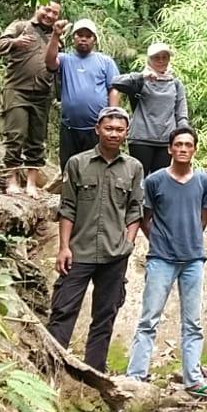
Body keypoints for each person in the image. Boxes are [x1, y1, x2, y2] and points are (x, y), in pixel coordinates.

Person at [47, 106, 146, 373]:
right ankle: (52, 370)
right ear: (98, 130)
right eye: (109, 128)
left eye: (119, 129)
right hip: (79, 251)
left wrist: (128, 243)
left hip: (115, 254)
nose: (114, 134)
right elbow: (67, 207)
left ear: (126, 134)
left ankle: (94, 373)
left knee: (105, 316)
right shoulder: (78, 164)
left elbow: (135, 209)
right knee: (63, 310)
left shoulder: (133, 167)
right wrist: (64, 247)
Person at [123, 126, 207, 397]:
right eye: (179, 144)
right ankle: (136, 377)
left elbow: (203, 216)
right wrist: (158, 239)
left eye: (189, 144)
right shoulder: (154, 181)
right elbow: (145, 216)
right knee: (149, 319)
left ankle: (193, 379)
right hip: (161, 259)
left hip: (193, 260)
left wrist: (190, 239)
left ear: (195, 149)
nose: (183, 149)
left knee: (193, 322)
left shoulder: (203, 182)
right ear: (170, 149)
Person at [0, 0, 61, 195]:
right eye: (47, 9)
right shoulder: (20, 26)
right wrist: (15, 42)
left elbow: (56, 65)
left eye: (55, 13)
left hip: (42, 94)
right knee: (15, 135)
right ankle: (11, 179)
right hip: (16, 89)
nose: (49, 15)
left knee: (37, 140)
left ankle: (31, 183)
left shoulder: (56, 37)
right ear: (37, 8)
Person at [110, 42, 190, 174]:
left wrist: (183, 137)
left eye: (165, 57)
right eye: (156, 57)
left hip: (166, 140)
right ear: (149, 60)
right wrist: (141, 76)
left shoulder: (175, 84)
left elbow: (181, 113)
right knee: (138, 180)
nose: (161, 60)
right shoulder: (140, 80)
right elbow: (115, 82)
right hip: (141, 139)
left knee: (160, 181)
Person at [49, 19, 120, 168]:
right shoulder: (65, 59)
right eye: (79, 35)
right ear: (73, 38)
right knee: (69, 167)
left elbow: (113, 88)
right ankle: (68, 192)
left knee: (96, 168)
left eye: (88, 36)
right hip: (69, 127)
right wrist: (55, 35)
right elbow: (49, 62)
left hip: (96, 128)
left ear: (94, 39)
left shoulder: (105, 61)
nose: (83, 39)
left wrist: (112, 116)